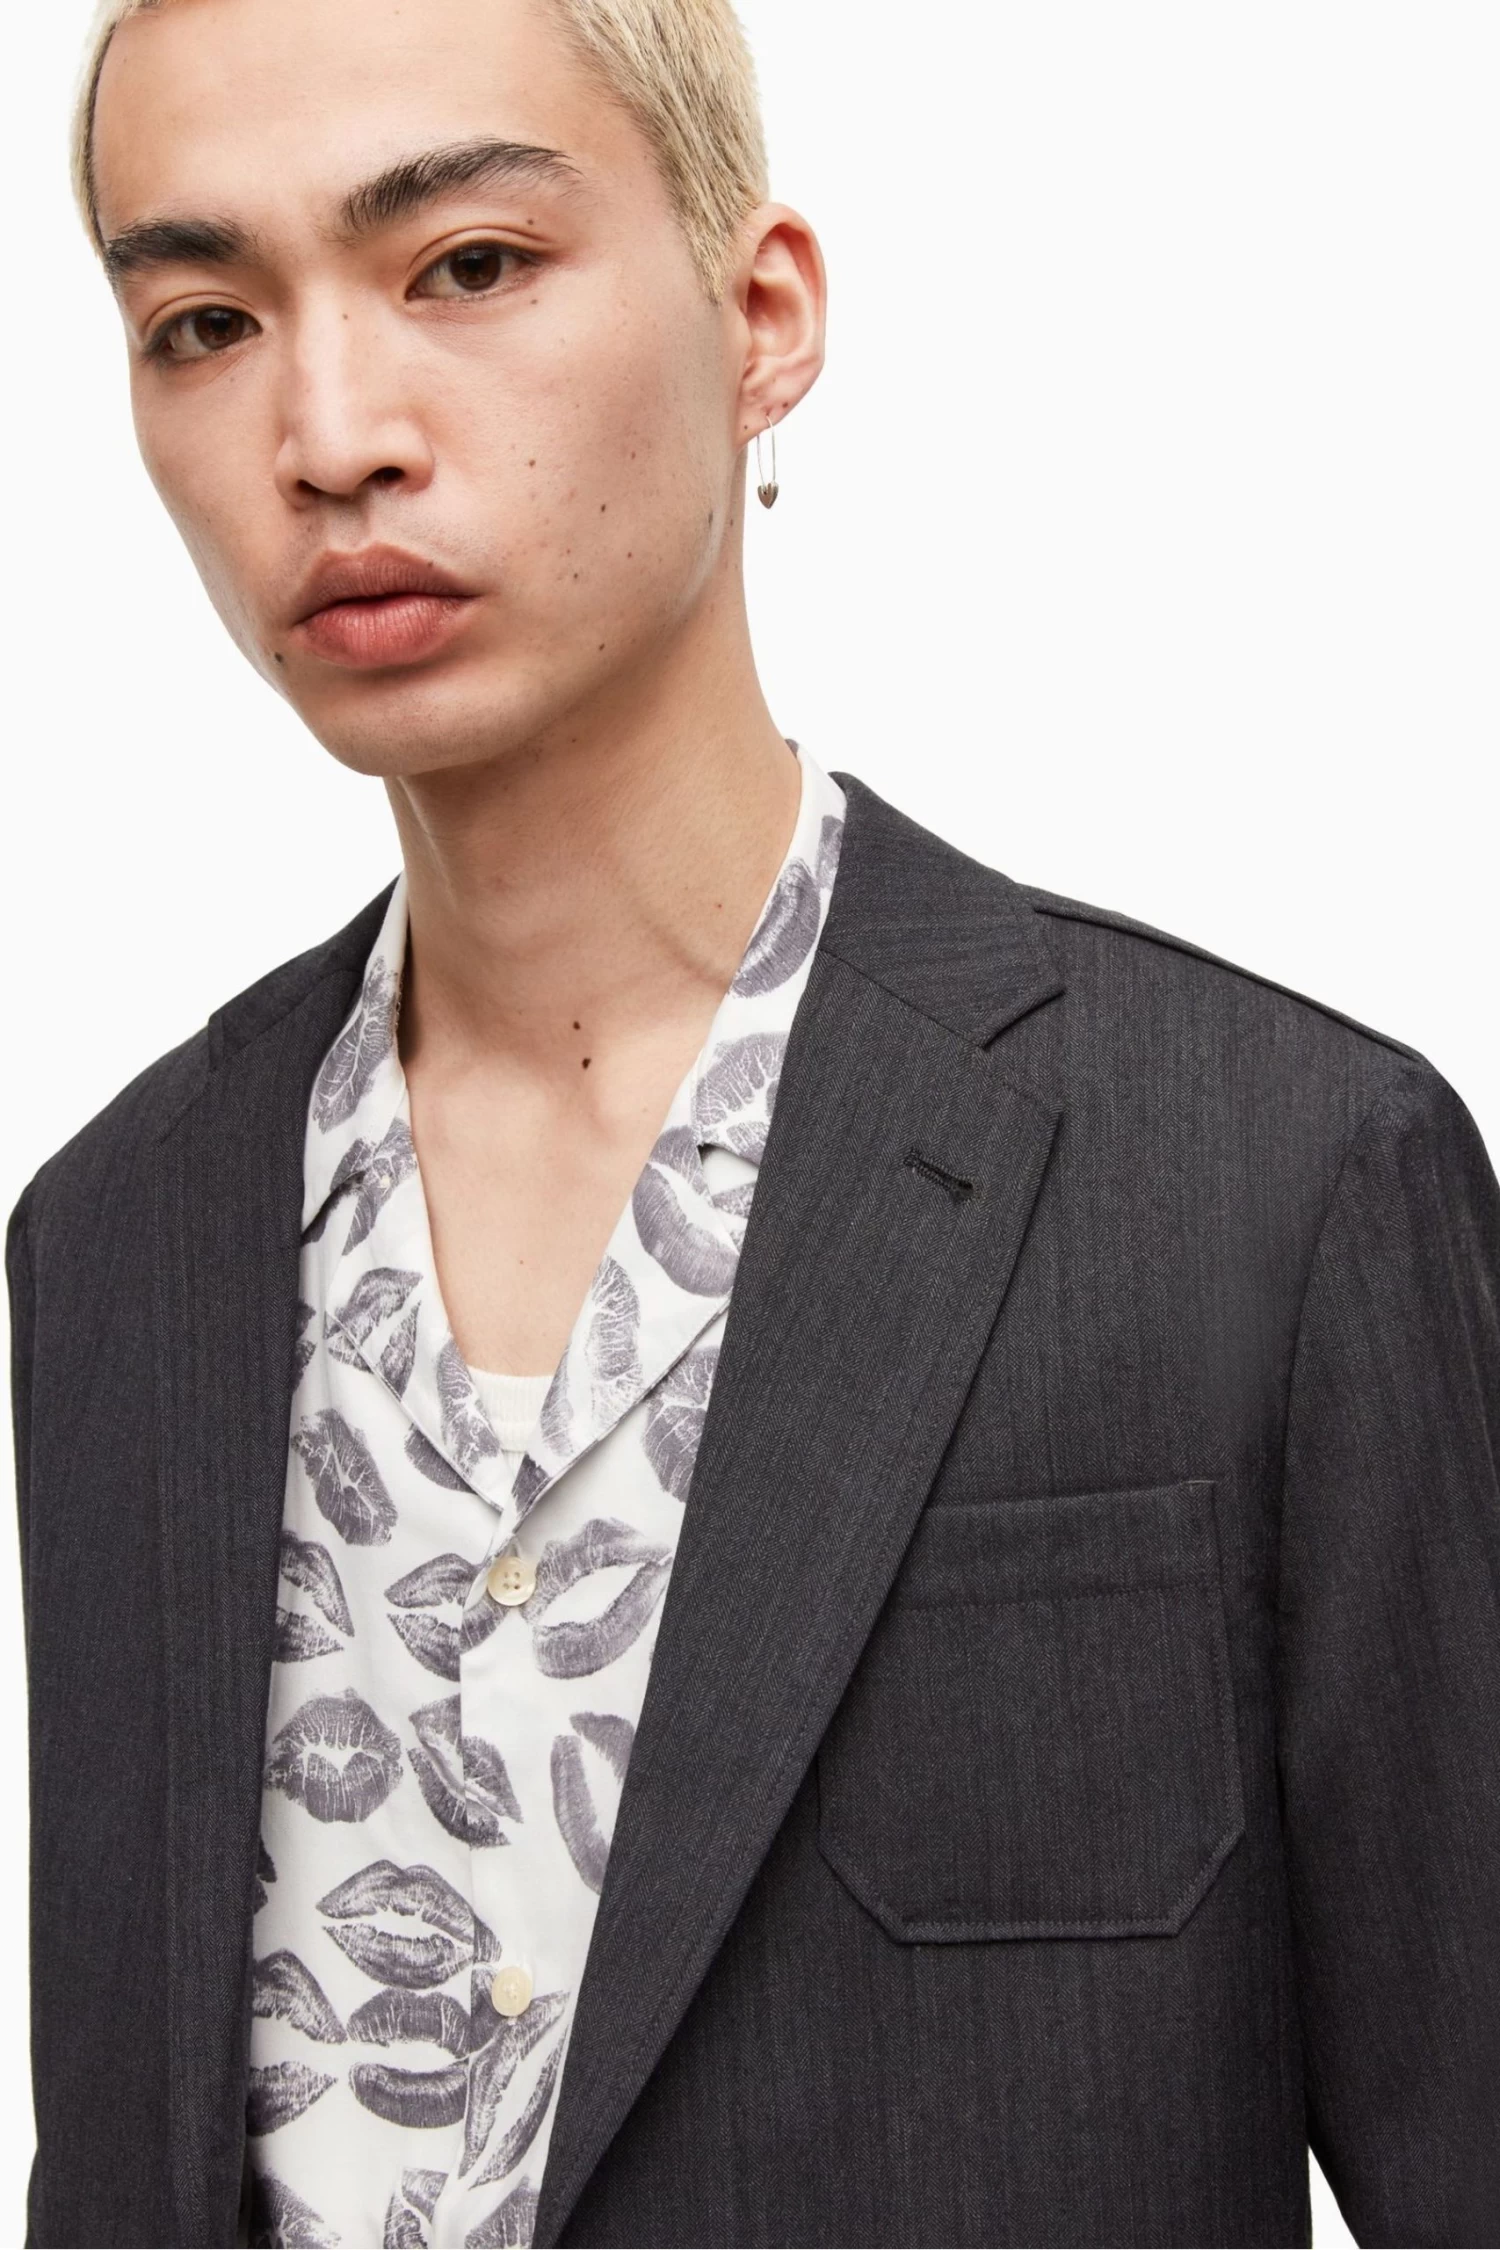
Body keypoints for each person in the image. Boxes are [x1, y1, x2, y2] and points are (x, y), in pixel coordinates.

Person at [7, 0, 1498, 2243]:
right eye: (204, 321)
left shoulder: (1273, 1186)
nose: (330, 435)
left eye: (468, 265)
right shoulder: (121, 1238)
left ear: (763, 315)